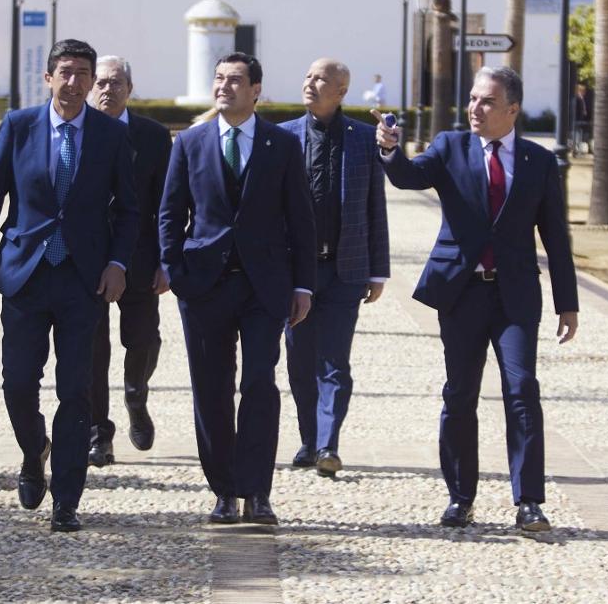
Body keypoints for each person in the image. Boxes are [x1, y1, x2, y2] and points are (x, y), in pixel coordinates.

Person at [374, 65, 578, 533]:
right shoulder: (450, 146)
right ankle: (460, 497)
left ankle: (528, 501)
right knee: (460, 394)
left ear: (512, 109)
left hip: (515, 297)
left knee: (523, 389)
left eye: (486, 101)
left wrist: (568, 302)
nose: (474, 108)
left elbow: (556, 237)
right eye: (472, 99)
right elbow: (409, 177)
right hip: (462, 292)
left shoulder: (538, 162)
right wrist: (390, 149)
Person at [0, 39, 139, 533]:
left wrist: (118, 263)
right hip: (26, 274)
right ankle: (32, 449)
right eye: (66, 72)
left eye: (84, 73)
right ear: (48, 78)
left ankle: (67, 498)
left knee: (75, 390)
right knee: (18, 382)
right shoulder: (19, 127)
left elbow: (128, 210)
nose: (76, 81)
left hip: (84, 280)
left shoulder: (109, 134)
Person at [159, 52, 316, 526]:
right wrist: (176, 271)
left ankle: (257, 491)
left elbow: (301, 220)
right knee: (211, 390)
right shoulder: (189, 143)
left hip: (264, 288)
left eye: (235, 80)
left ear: (256, 91)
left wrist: (303, 285)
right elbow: (170, 214)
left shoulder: (281, 145)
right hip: (203, 286)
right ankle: (224, 491)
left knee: (259, 387)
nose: (224, 87)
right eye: (219, 79)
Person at [279, 59, 389, 477]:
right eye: (307, 76)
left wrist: (378, 271)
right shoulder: (283, 137)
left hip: (346, 270)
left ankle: (329, 444)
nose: (310, 83)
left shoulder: (362, 139)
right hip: (296, 273)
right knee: (299, 360)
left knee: (335, 363)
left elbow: (375, 206)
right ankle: (309, 438)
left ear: (341, 91)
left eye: (321, 78)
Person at [86, 55, 173, 467]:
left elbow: (170, 205)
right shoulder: (76, 131)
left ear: (130, 88)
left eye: (116, 82)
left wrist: (167, 260)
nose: (108, 89)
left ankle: (136, 395)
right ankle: (97, 433)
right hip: (86, 259)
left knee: (143, 340)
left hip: (139, 258)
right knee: (89, 349)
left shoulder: (154, 138)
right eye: (101, 82)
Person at [573, 82, 593, 155]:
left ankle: (589, 148)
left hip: (585, 120)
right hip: (578, 120)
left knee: (587, 135)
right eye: (582, 90)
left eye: (584, 91)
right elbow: (576, 111)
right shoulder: (577, 99)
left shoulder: (584, 99)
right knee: (578, 136)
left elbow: (587, 109)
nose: (584, 92)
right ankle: (577, 150)